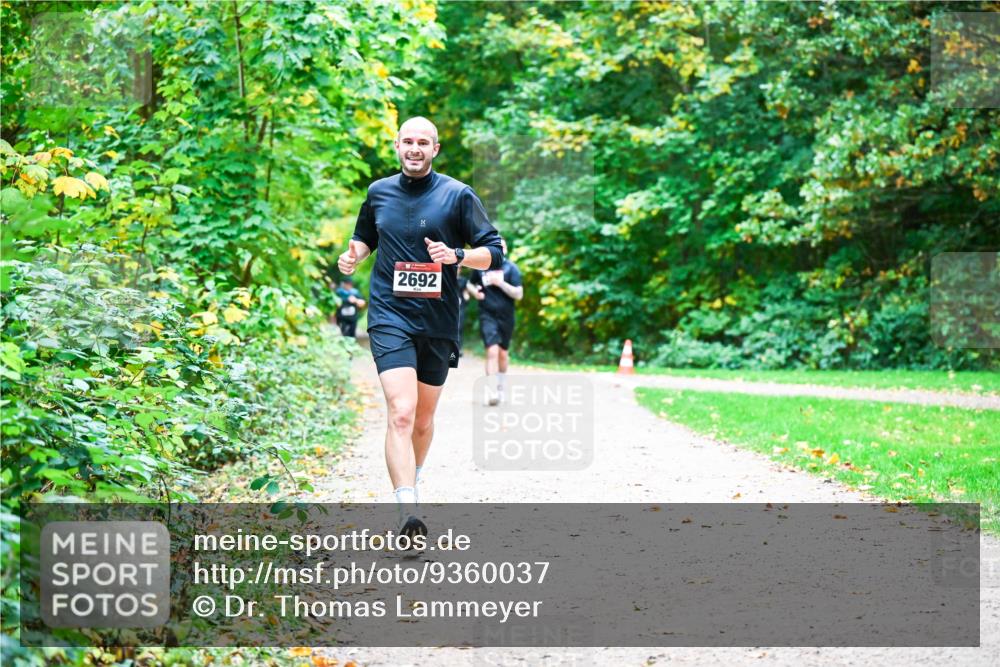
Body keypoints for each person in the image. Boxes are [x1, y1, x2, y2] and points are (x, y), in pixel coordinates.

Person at [337, 116, 503, 538]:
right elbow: (364, 238)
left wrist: (458, 256)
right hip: (390, 314)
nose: (414, 148)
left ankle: (414, 478)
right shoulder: (379, 193)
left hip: (438, 319)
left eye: (423, 142)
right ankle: (406, 509)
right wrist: (353, 254)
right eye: (407, 141)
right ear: (396, 145)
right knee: (401, 411)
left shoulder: (457, 195)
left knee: (423, 421)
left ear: (435, 149)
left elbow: (495, 252)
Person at [469, 237, 523, 405]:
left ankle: (501, 387)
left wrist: (501, 283)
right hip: (487, 314)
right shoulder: (481, 268)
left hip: (506, 316)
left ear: (505, 250)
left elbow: (519, 294)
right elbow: (470, 285)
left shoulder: (511, 269)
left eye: (502, 246)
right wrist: (475, 293)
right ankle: (491, 390)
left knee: (502, 354)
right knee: (492, 351)